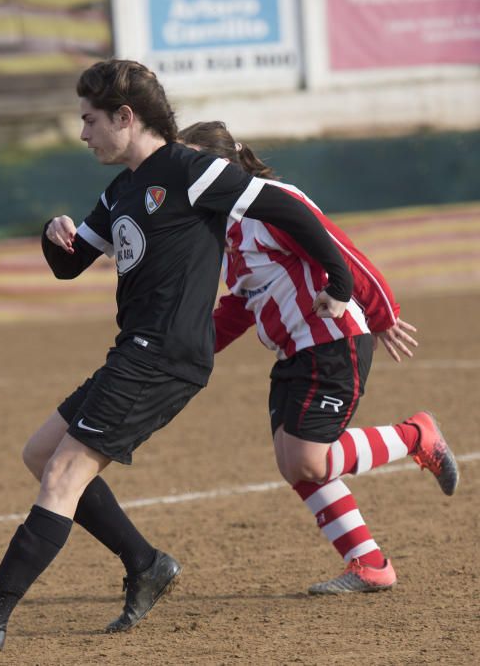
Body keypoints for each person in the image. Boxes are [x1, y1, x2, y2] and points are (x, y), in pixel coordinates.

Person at [0, 59, 361, 650]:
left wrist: (340, 281)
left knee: (65, 473)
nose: (83, 132)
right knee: (42, 454)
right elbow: (70, 266)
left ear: (126, 116)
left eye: (90, 120)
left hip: (166, 355)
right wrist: (53, 231)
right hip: (135, 349)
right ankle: (145, 564)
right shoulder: (120, 188)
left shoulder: (190, 169)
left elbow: (288, 208)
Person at [177, 120, 459, 594]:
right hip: (293, 353)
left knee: (308, 459)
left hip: (332, 341)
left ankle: (416, 436)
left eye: (193, 162)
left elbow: (343, 255)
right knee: (294, 462)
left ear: (223, 163)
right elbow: (240, 305)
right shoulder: (224, 231)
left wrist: (382, 311)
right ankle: (370, 564)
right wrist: (188, 345)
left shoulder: (270, 202)